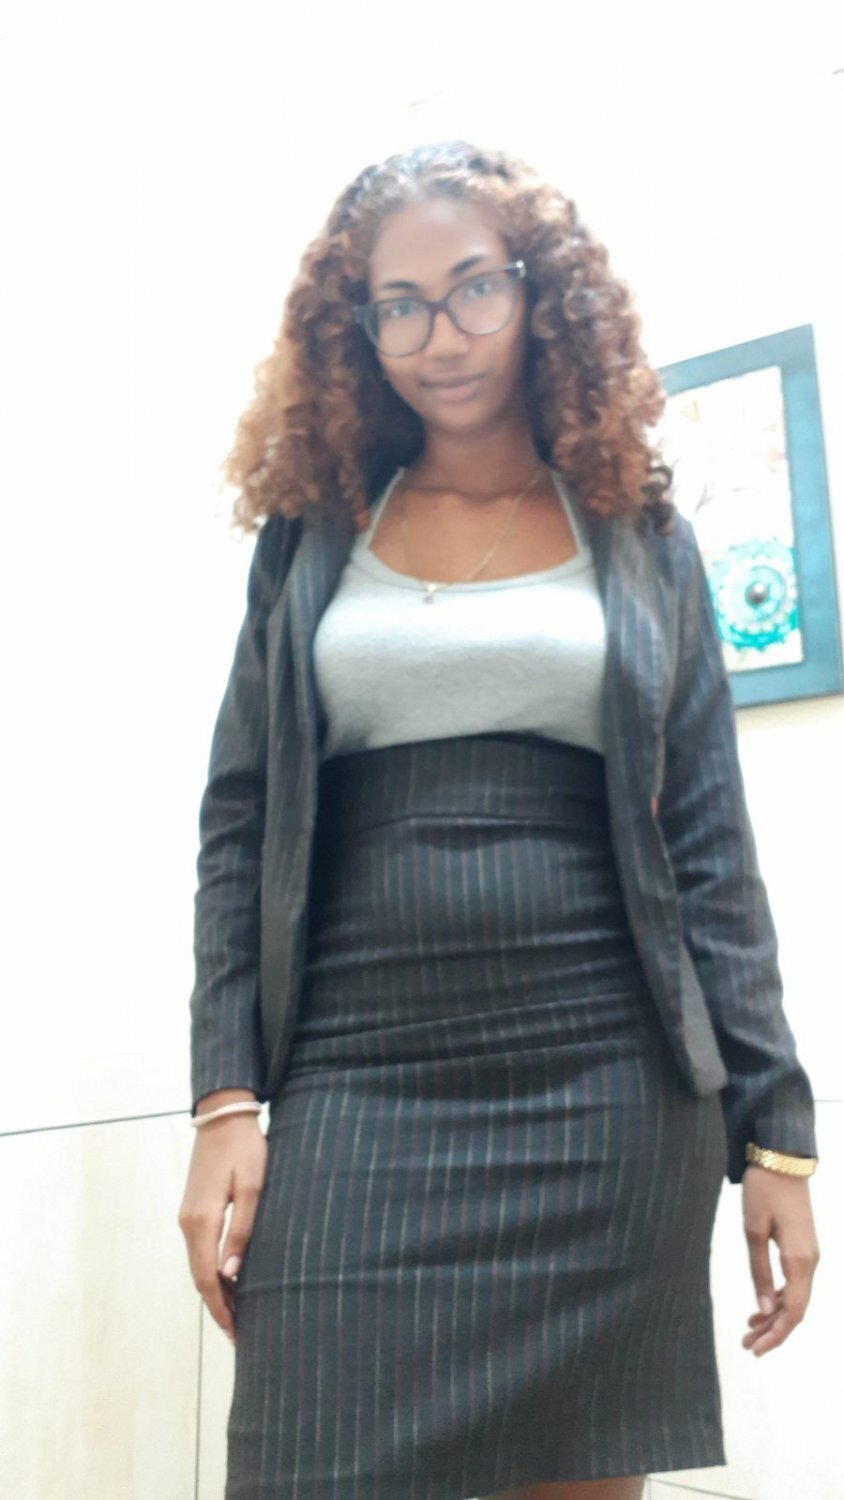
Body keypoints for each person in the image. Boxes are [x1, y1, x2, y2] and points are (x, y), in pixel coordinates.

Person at [178, 141, 821, 1500]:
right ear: (355, 331)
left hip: (606, 1090)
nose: (440, 335)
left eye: (474, 286)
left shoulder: (640, 534)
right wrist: (225, 1098)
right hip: (356, 1074)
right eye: (398, 305)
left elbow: (711, 848)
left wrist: (778, 1136)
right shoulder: (311, 535)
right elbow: (240, 822)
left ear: (541, 290)